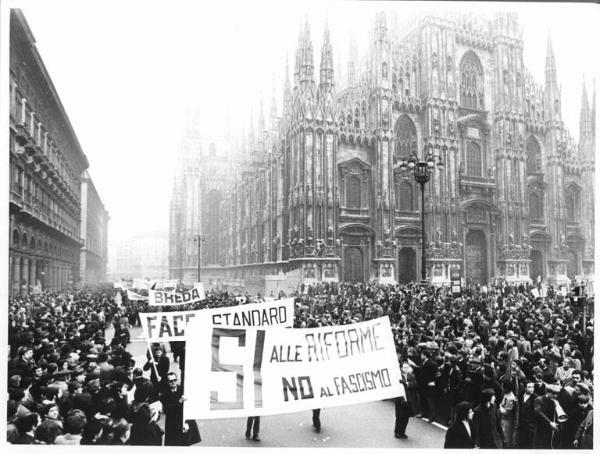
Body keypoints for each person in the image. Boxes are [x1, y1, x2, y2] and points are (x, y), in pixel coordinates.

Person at [160, 372, 185, 446]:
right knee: (171, 444)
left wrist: (186, 422)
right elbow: (167, 409)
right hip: (171, 423)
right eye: (171, 381)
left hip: (181, 421)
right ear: (168, 382)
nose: (173, 382)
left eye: (175, 380)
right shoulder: (164, 394)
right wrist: (179, 401)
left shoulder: (183, 390)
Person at [533, 384, 561, 449]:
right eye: (554, 394)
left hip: (550, 430)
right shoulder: (539, 400)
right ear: (548, 392)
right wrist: (550, 422)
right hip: (540, 428)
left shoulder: (554, 401)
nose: (556, 396)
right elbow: (538, 412)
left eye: (557, 394)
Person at [395, 362, 418, 439]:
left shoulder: (412, 376)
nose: (405, 369)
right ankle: (397, 432)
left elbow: (414, 384)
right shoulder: (398, 376)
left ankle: (402, 432)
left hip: (409, 400)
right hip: (401, 400)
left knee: (406, 417)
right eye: (404, 367)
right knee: (400, 417)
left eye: (407, 367)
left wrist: (407, 383)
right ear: (401, 368)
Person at [517, 381, 536, 448]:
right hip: (521, 423)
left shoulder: (535, 397)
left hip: (530, 424)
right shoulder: (521, 395)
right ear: (525, 388)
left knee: (530, 443)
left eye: (533, 387)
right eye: (529, 387)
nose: (531, 389)